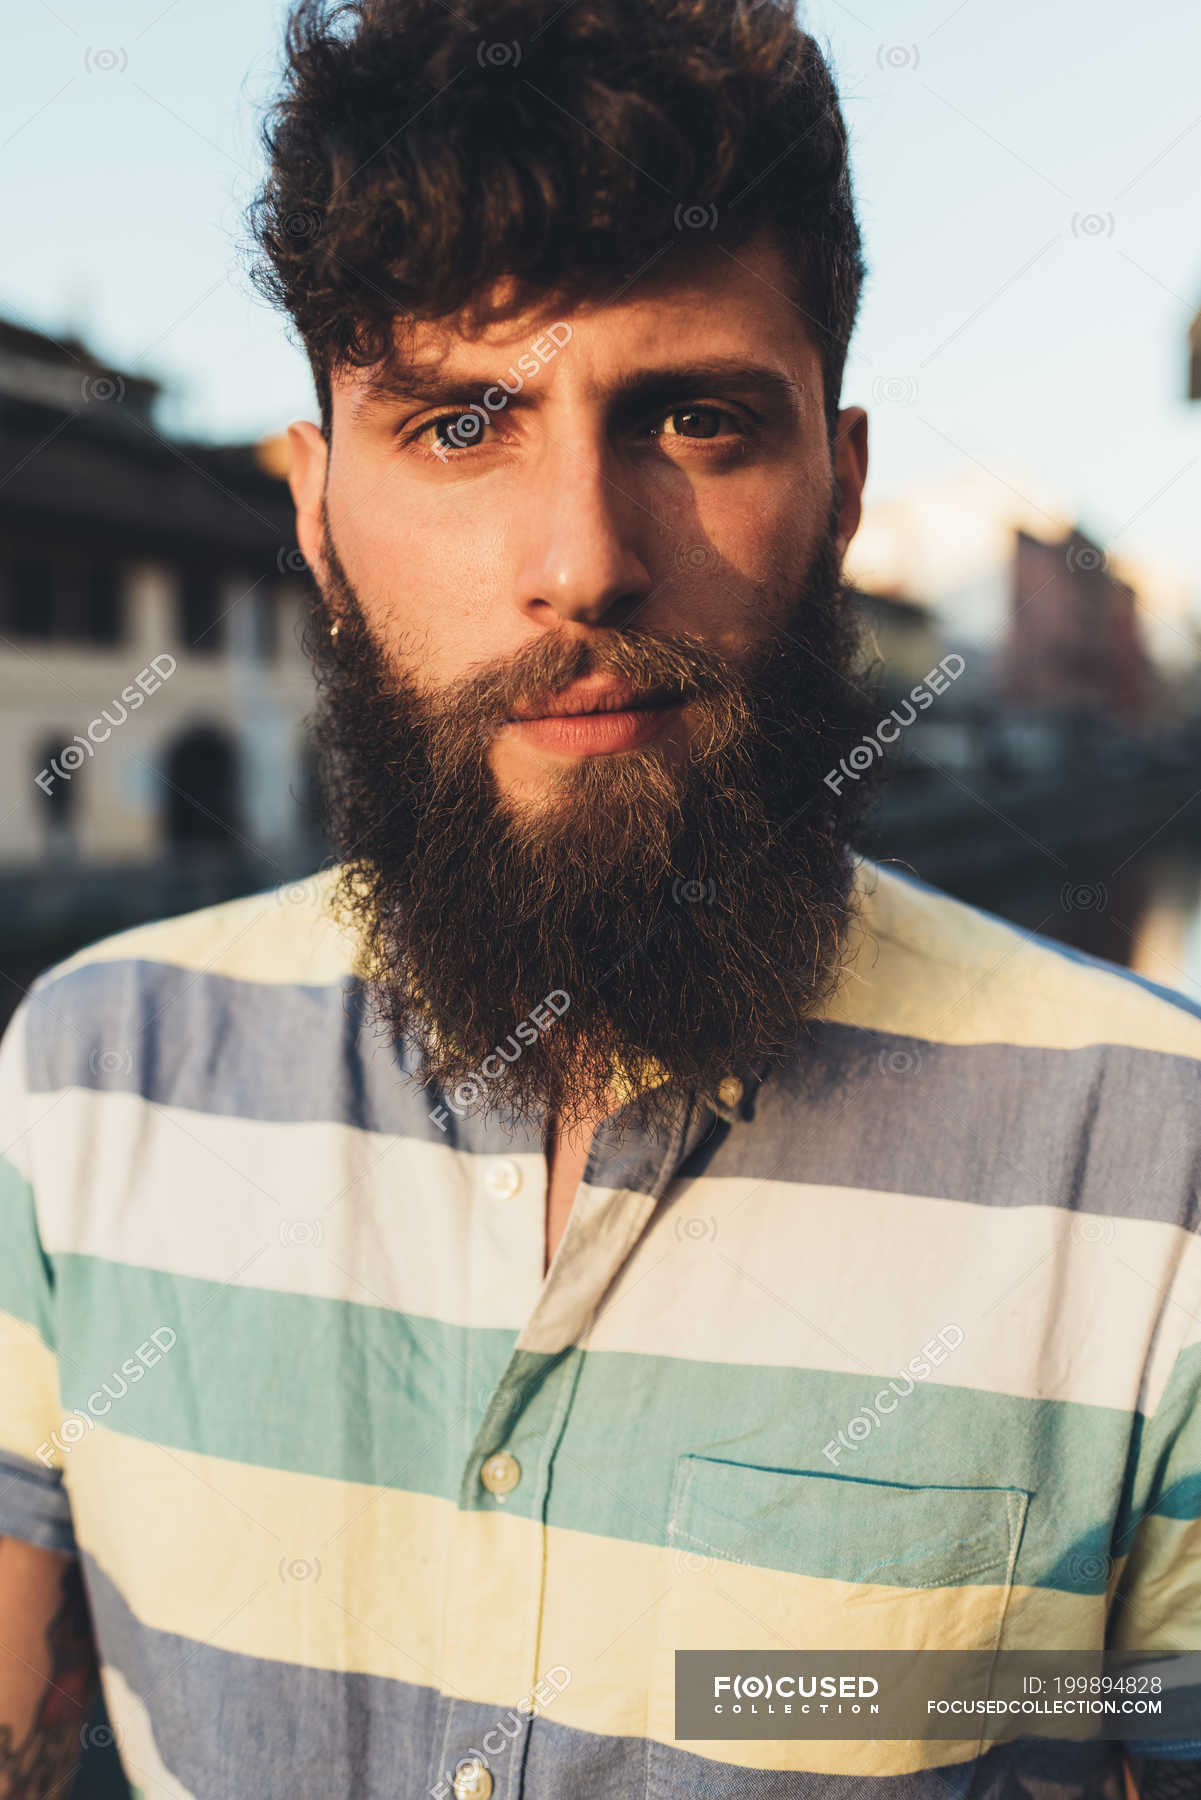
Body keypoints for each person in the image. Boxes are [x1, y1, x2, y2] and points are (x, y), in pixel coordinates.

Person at [1, 2, 1198, 1796]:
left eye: (698, 419)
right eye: (460, 427)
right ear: (316, 517)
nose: (580, 560)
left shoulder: (1161, 1154)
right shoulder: (92, 1074)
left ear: (841, 493)